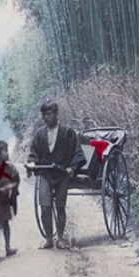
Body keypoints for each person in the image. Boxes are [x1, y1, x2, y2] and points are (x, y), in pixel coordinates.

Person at [26, 100, 84, 249]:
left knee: (60, 207)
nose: (46, 117)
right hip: (45, 173)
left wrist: (72, 167)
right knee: (44, 207)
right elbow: (34, 153)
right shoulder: (39, 134)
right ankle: (48, 239)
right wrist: (32, 162)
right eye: (44, 115)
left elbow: (77, 152)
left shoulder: (67, 132)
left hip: (62, 173)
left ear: (56, 114)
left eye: (49, 114)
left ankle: (60, 238)